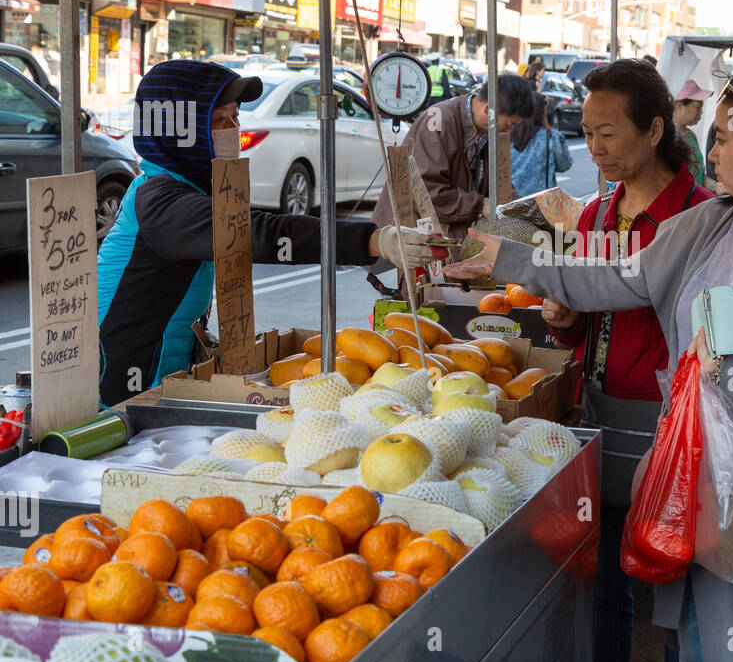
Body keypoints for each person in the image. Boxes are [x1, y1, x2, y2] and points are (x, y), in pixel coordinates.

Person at [448, 64, 733, 662]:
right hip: (699, 470)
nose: (713, 148)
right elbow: (614, 278)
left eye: (728, 135)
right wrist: (511, 258)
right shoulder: (712, 225)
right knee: (699, 654)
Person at [96, 60, 442, 406]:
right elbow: (255, 233)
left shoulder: (184, 190)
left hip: (160, 371)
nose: (232, 128)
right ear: (178, 127)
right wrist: (372, 240)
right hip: (123, 379)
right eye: (218, 120)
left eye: (236, 116)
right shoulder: (163, 200)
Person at [536, 59, 709, 662]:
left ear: (656, 129)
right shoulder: (594, 215)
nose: (595, 148)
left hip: (671, 431)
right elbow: (577, 321)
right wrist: (561, 317)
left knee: (672, 597)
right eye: (587, 132)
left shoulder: (700, 217)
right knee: (603, 586)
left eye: (608, 133)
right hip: (598, 417)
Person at [368, 73, 535, 240]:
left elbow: (500, 183)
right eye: (510, 124)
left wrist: (524, 208)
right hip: (414, 232)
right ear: (488, 110)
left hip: (454, 232)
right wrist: (479, 204)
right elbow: (427, 191)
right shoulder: (438, 121)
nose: (510, 131)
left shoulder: (493, 132)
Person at [509, 93, 572, 196]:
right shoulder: (552, 137)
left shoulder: (510, 134)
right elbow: (564, 165)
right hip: (541, 202)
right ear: (543, 111)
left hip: (512, 199)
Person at [673, 79, 713, 188]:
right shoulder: (668, 139)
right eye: (697, 106)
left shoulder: (690, 136)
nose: (701, 112)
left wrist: (716, 186)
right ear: (679, 105)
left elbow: (698, 176)